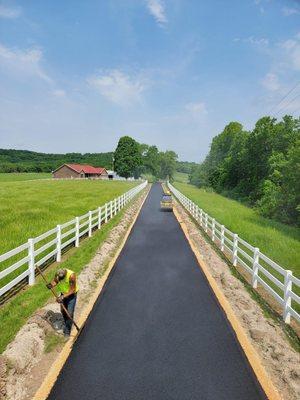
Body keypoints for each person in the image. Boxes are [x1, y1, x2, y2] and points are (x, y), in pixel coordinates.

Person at [47, 268, 79, 336]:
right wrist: (51, 285)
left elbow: (72, 290)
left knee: (69, 314)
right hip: (63, 294)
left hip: (71, 295)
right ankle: (66, 323)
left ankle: (67, 331)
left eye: (61, 279)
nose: (60, 280)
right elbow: (55, 281)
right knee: (63, 311)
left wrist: (62, 297)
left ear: (64, 276)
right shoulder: (58, 273)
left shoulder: (71, 276)